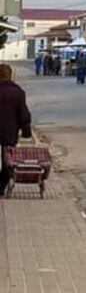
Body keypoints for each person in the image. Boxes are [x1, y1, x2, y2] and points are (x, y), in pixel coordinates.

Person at [0, 63, 33, 196]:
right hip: (9, 134)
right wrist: (26, 132)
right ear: (11, 75)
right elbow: (23, 114)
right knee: (8, 163)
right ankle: (1, 187)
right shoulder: (18, 92)